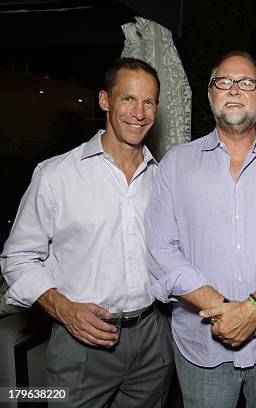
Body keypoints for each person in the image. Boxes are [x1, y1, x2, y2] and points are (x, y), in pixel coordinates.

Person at [144, 51, 256, 408]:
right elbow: (161, 249)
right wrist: (227, 312)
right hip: (202, 344)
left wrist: (254, 309)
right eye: (223, 82)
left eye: (247, 83)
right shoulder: (177, 164)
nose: (235, 90)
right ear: (210, 95)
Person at [0, 57, 173, 407]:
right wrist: (64, 309)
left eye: (149, 101)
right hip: (81, 344)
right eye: (128, 99)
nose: (139, 112)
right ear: (105, 100)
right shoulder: (56, 175)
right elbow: (17, 259)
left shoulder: (165, 178)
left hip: (153, 339)